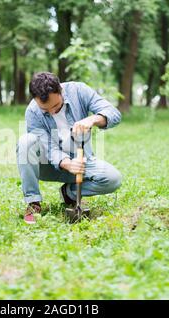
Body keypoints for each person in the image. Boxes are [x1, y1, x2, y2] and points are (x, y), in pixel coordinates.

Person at [17, 72, 123, 224]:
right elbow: (49, 147)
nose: (52, 112)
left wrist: (93, 119)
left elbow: (114, 114)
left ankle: (69, 194)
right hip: (48, 165)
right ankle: (33, 203)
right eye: (46, 110)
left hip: (81, 161)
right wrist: (66, 163)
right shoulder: (33, 112)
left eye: (55, 106)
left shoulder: (79, 91)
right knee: (25, 142)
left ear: (60, 90)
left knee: (113, 179)